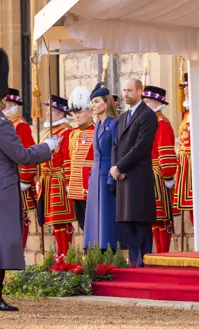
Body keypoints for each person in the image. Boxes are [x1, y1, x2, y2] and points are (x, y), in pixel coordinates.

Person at [0, 46, 57, 311]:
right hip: (3, 186)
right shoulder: (0, 123)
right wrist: (48, 147)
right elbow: (21, 155)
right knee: (0, 242)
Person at [111, 78, 158, 268]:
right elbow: (116, 145)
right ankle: (133, 261)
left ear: (140, 92)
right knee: (127, 221)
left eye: (129, 90)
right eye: (124, 90)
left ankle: (144, 261)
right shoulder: (123, 117)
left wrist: (120, 166)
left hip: (138, 175)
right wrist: (115, 168)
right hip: (122, 177)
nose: (125, 94)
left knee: (140, 220)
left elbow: (141, 147)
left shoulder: (147, 115)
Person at [83, 82, 121, 251]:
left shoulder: (114, 124)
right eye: (92, 102)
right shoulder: (97, 124)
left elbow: (117, 150)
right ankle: (95, 246)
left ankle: (109, 246)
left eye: (97, 101)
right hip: (96, 173)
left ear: (106, 103)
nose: (93, 105)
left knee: (106, 214)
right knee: (94, 215)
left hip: (107, 172)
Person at [38, 94, 76, 260]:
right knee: (54, 221)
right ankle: (59, 253)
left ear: (61, 113)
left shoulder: (66, 132)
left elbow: (68, 157)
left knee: (62, 220)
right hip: (48, 179)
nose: (47, 112)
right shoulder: (48, 132)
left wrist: (68, 181)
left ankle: (65, 254)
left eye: (51, 110)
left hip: (59, 179)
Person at [142, 85, 177, 253]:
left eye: (148, 102)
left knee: (162, 217)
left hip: (158, 174)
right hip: (148, 172)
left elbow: (166, 151)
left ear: (157, 102)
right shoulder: (150, 121)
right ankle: (158, 252)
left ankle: (164, 252)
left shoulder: (161, 123)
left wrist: (168, 176)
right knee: (154, 218)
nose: (145, 105)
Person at [2, 88, 38, 249]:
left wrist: (24, 179)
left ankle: (18, 252)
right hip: (4, 177)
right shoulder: (3, 124)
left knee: (20, 217)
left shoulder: (20, 125)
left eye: (6, 104)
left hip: (17, 178)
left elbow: (29, 153)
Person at [66, 86, 94, 233]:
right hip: (75, 185)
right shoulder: (73, 133)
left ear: (90, 111)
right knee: (82, 222)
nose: (77, 116)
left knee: (93, 223)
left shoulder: (96, 131)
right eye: (75, 112)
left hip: (89, 184)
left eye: (80, 111)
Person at [172, 73, 194, 226]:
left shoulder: (196, 114)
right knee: (190, 204)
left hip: (193, 161)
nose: (185, 91)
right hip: (185, 160)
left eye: (188, 88)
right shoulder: (187, 114)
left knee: (195, 202)